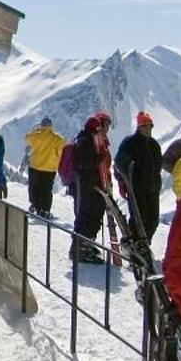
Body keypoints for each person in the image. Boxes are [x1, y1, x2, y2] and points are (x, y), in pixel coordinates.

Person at [70, 112, 114, 264]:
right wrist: (99, 158)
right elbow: (83, 163)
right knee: (87, 216)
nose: (104, 129)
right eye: (103, 125)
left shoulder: (96, 140)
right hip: (88, 185)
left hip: (96, 185)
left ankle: (86, 244)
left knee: (94, 216)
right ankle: (80, 248)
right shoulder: (86, 140)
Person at [114, 112, 164, 245]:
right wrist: (123, 181)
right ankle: (136, 243)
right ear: (139, 127)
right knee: (138, 219)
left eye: (150, 126)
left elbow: (158, 165)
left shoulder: (154, 145)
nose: (148, 129)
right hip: (136, 189)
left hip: (152, 189)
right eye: (145, 126)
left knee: (153, 219)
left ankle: (145, 244)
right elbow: (119, 163)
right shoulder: (129, 143)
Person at [24, 115, 64, 217]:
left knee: (34, 187)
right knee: (46, 189)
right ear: (51, 126)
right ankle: (45, 210)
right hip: (50, 169)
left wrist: (36, 130)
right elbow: (61, 150)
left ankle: (35, 205)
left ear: (42, 125)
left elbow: (27, 138)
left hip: (35, 166)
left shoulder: (36, 135)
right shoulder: (57, 138)